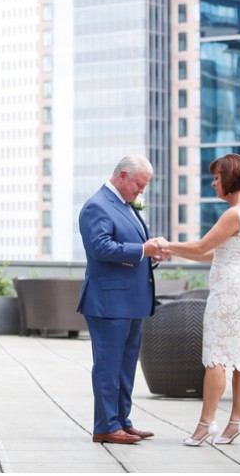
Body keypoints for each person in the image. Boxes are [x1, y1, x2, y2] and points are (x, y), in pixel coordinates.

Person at [152, 153, 240, 447]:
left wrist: (164, 244)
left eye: (216, 177)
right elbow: (214, 253)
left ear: (230, 178)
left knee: (215, 358)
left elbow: (201, 248)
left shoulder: (232, 214)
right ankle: (236, 421)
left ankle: (205, 424)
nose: (213, 183)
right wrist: (174, 251)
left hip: (228, 293)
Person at [77, 154, 167, 444]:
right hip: (108, 303)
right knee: (108, 366)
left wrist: (152, 256)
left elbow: (134, 250)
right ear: (123, 176)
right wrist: (143, 249)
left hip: (130, 301)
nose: (141, 191)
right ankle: (105, 426)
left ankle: (122, 421)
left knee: (126, 366)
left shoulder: (127, 206)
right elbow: (101, 248)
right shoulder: (96, 206)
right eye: (139, 185)